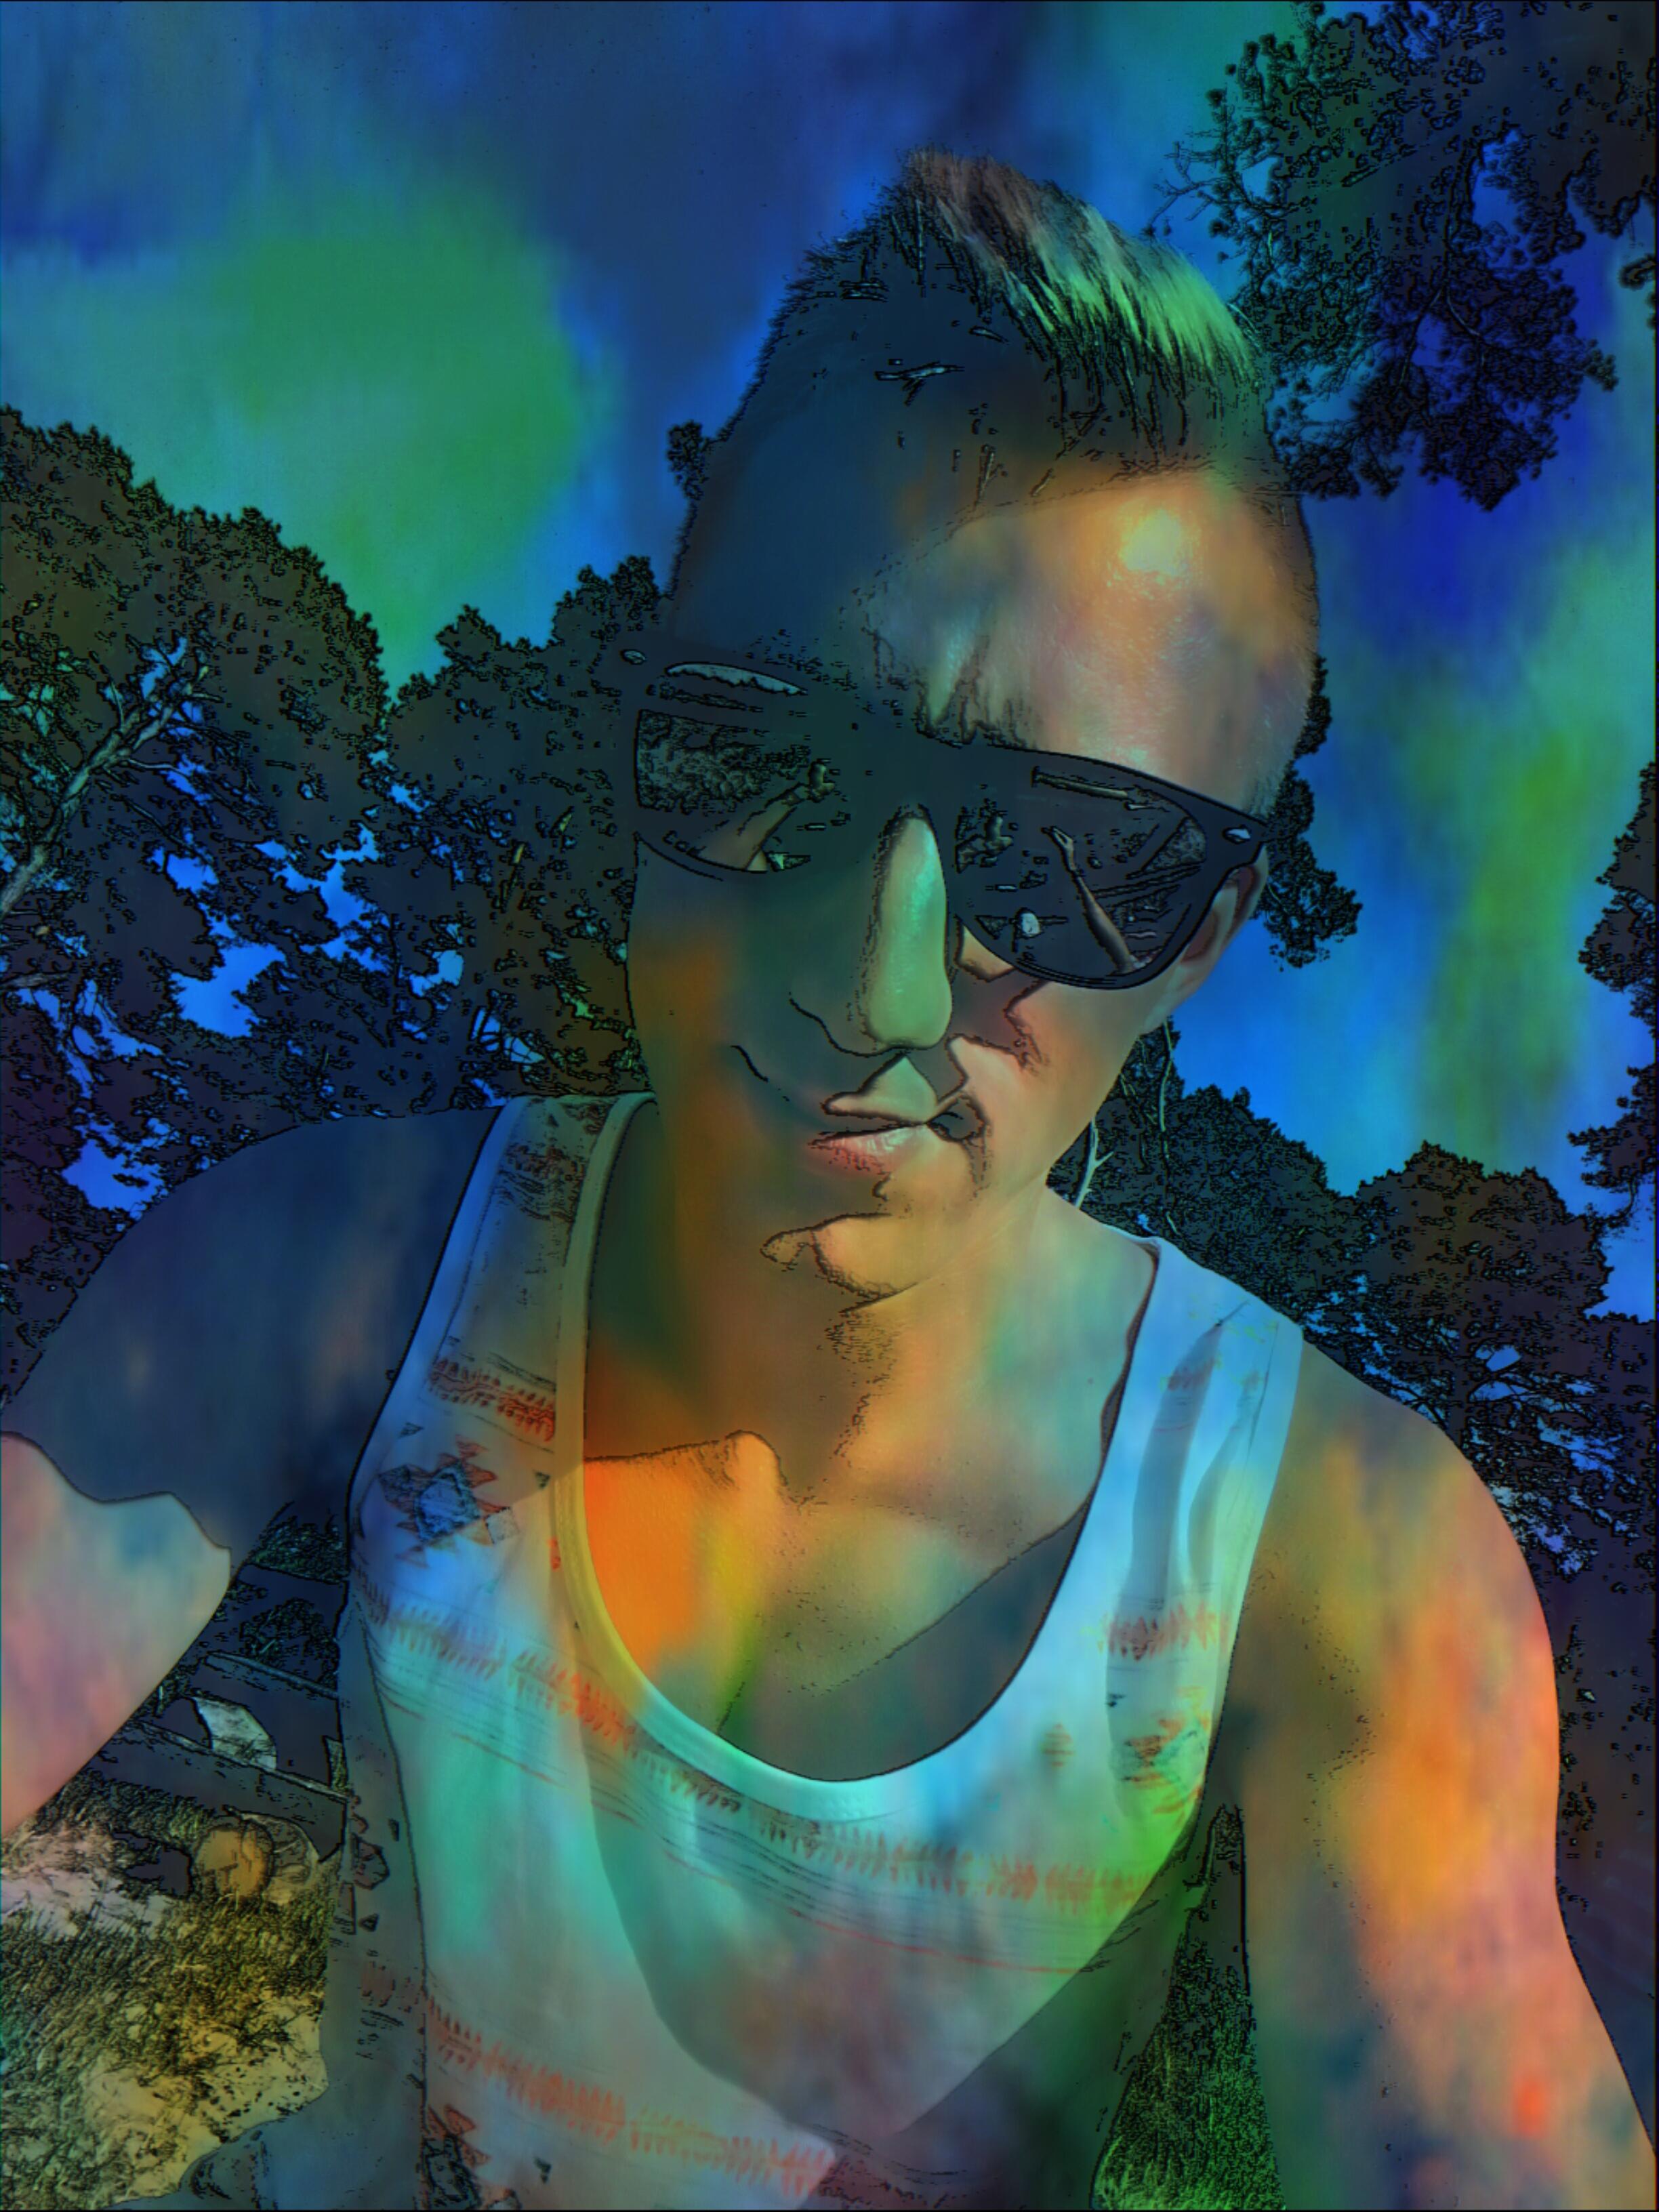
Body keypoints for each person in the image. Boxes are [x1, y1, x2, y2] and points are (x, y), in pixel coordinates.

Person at [3, 149, 1652, 2212]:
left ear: (1207, 937)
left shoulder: (1339, 1558)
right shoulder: (313, 1267)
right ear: (638, 723)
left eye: (1076, 865)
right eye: (767, 765)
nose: (878, 984)